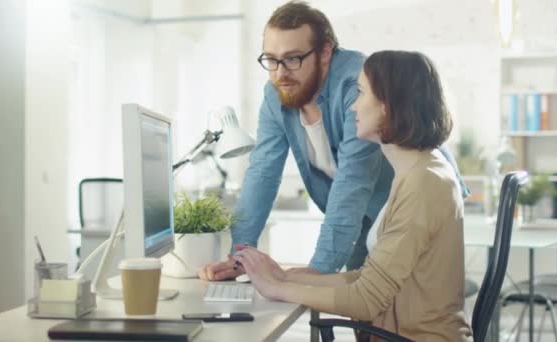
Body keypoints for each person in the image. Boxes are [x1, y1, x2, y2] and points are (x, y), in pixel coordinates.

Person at [200, 1, 467, 281]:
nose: (280, 74)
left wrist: (317, 271)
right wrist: (239, 256)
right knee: (365, 312)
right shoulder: (276, 93)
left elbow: (354, 178)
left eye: (293, 58)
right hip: (358, 214)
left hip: (405, 206)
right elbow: (262, 171)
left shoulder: (358, 86)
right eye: (271, 59)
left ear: (325, 51)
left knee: (401, 305)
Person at [233, 50, 473, 342]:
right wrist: (285, 276)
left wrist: (276, 289)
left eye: (362, 93)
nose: (353, 107)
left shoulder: (423, 183)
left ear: (388, 105)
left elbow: (366, 300)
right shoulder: (415, 171)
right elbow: (368, 278)